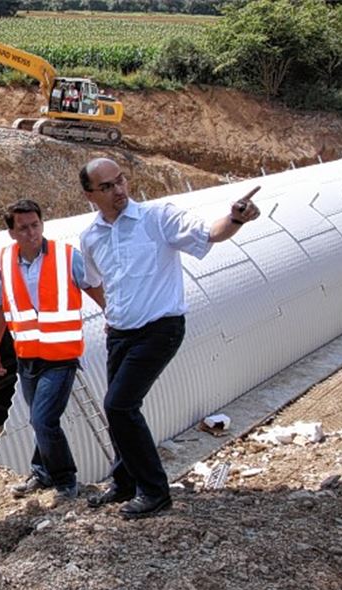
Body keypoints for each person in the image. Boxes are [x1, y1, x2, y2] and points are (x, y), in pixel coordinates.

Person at [78, 157, 261, 519]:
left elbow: (209, 232)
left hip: (159, 329)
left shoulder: (157, 218)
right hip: (120, 334)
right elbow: (92, 280)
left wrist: (236, 218)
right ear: (89, 195)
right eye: (108, 186)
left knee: (119, 406)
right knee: (119, 411)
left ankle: (154, 491)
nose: (119, 190)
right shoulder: (91, 237)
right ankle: (124, 483)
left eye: (121, 181)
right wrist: (112, 312)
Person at [0, 199, 105, 500]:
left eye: (35, 225)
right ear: (12, 233)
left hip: (61, 356)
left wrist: (115, 318)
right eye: (23, 228)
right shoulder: (4, 261)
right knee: (39, 419)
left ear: (42, 224)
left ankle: (66, 481)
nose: (31, 233)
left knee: (43, 420)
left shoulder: (67, 257)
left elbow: (95, 287)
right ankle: (42, 473)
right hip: (27, 357)